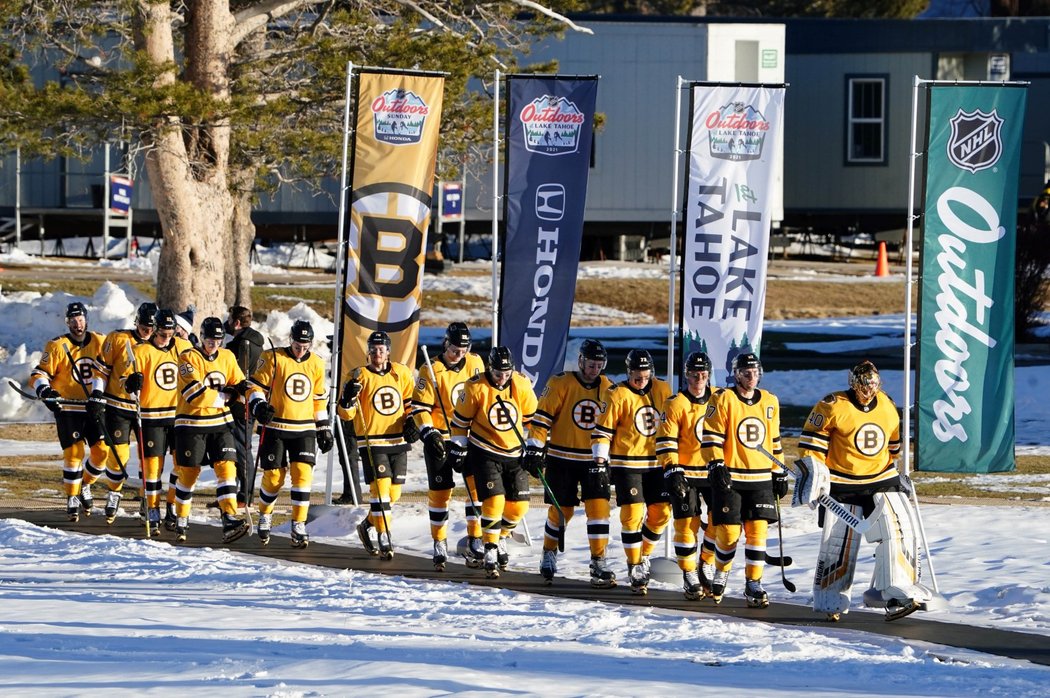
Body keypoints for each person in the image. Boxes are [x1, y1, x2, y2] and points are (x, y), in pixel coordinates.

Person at [796, 359, 934, 622]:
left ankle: (898, 593)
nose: (868, 390)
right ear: (853, 383)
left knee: (899, 530)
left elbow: (894, 448)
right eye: (863, 384)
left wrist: (897, 473)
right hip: (842, 482)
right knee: (840, 542)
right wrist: (815, 473)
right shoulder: (831, 405)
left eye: (872, 384)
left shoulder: (888, 405)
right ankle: (831, 600)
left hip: (881, 477)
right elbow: (811, 445)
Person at [524, 338, 616, 588]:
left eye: (599, 365)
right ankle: (549, 551)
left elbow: (616, 425)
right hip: (561, 458)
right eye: (590, 364)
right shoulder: (561, 382)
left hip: (593, 460)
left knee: (599, 510)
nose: (594, 370)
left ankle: (599, 560)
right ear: (581, 361)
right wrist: (535, 448)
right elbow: (542, 419)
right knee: (561, 511)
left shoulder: (609, 388)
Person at [700, 351, 785, 608]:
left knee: (758, 532)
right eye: (747, 373)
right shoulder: (723, 398)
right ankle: (721, 570)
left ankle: (753, 583)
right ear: (737, 375)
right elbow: (711, 434)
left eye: (755, 372)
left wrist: (778, 470)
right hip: (732, 477)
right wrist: (716, 463)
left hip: (760, 478)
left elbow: (774, 439)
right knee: (728, 533)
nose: (752, 377)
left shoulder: (770, 401)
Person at [448, 346, 538, 579]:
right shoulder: (475, 386)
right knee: (494, 500)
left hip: (514, 453)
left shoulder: (521, 384)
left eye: (506, 374)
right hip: (484, 451)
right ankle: (489, 549)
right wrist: (458, 447)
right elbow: (460, 423)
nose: (502, 378)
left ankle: (501, 537)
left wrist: (537, 448)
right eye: (498, 373)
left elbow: (534, 421)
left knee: (519, 506)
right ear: (490, 368)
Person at [591, 348, 673, 594]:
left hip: (656, 462)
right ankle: (634, 563)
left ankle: (644, 554)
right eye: (636, 373)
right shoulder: (616, 393)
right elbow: (603, 430)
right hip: (627, 462)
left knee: (661, 514)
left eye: (645, 372)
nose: (641, 377)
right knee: (632, 513)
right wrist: (600, 461)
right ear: (629, 372)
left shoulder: (663, 389)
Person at [245, 319, 331, 547]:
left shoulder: (316, 364)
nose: (301, 349)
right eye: (297, 344)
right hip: (276, 427)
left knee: (303, 475)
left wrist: (323, 427)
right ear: (290, 340)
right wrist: (259, 405)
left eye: (306, 345)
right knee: (274, 478)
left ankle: (299, 524)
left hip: (303, 429)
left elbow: (319, 399)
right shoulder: (274, 358)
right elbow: (254, 387)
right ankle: (265, 514)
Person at [410, 322, 485, 570]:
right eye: (454, 349)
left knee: (476, 490)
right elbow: (419, 408)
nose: (459, 354)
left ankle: (475, 538)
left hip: (468, 437)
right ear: (445, 344)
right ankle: (439, 540)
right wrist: (428, 432)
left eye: (464, 349)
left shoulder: (476, 363)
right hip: (441, 436)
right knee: (442, 492)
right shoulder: (430, 369)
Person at [171, 316, 251, 543]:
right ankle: (182, 517)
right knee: (189, 473)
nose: (213, 343)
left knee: (227, 468)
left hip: (220, 422)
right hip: (191, 423)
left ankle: (229, 517)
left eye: (218, 339)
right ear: (202, 337)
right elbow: (195, 395)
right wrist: (229, 396)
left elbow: (241, 383)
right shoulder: (188, 357)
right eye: (209, 338)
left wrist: (254, 399)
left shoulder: (227, 357)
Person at [338, 330, 416, 560]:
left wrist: (412, 421)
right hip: (372, 441)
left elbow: (411, 404)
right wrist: (347, 398)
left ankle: (367, 525)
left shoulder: (401, 373)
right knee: (380, 490)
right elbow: (345, 415)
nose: (377, 354)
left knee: (394, 494)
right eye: (373, 350)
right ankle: (384, 535)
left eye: (381, 350)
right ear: (368, 352)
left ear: (389, 351)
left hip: (397, 440)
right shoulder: (357, 375)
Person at [28, 301, 107, 521]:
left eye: (80, 320)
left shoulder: (100, 341)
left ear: (86, 320)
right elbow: (39, 373)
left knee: (102, 453)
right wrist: (45, 390)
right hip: (68, 408)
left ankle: (84, 485)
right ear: (67, 322)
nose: (77, 324)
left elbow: (111, 370)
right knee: (74, 454)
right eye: (73, 321)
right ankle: (72, 497)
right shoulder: (57, 345)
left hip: (93, 407)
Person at [85, 301, 157, 523]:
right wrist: (97, 394)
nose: (148, 331)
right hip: (119, 407)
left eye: (152, 328)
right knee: (119, 457)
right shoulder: (118, 339)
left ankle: (149, 500)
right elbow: (101, 371)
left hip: (149, 411)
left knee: (150, 460)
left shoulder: (162, 345)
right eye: (145, 326)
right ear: (137, 322)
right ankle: (114, 492)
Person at [124, 309, 193, 535]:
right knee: (152, 468)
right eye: (163, 334)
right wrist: (131, 383)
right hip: (152, 417)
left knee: (182, 465)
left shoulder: (183, 348)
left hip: (179, 417)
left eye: (171, 334)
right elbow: (124, 379)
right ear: (154, 330)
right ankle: (152, 508)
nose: (167, 338)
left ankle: (172, 504)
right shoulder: (140, 351)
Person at [657, 351, 719, 600]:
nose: (699, 379)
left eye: (703, 374)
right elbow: (665, 439)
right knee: (686, 524)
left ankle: (707, 561)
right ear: (686, 375)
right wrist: (672, 468)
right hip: (685, 471)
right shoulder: (675, 403)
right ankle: (689, 572)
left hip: (715, 470)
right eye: (694, 374)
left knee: (721, 522)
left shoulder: (720, 398)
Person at [225, 305, 265, 505]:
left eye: (230, 319)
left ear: (237, 322)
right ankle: (236, 492)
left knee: (242, 448)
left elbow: (239, 377)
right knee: (237, 448)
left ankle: (245, 495)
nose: (227, 323)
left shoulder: (241, 345)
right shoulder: (255, 343)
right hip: (248, 402)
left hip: (242, 404)